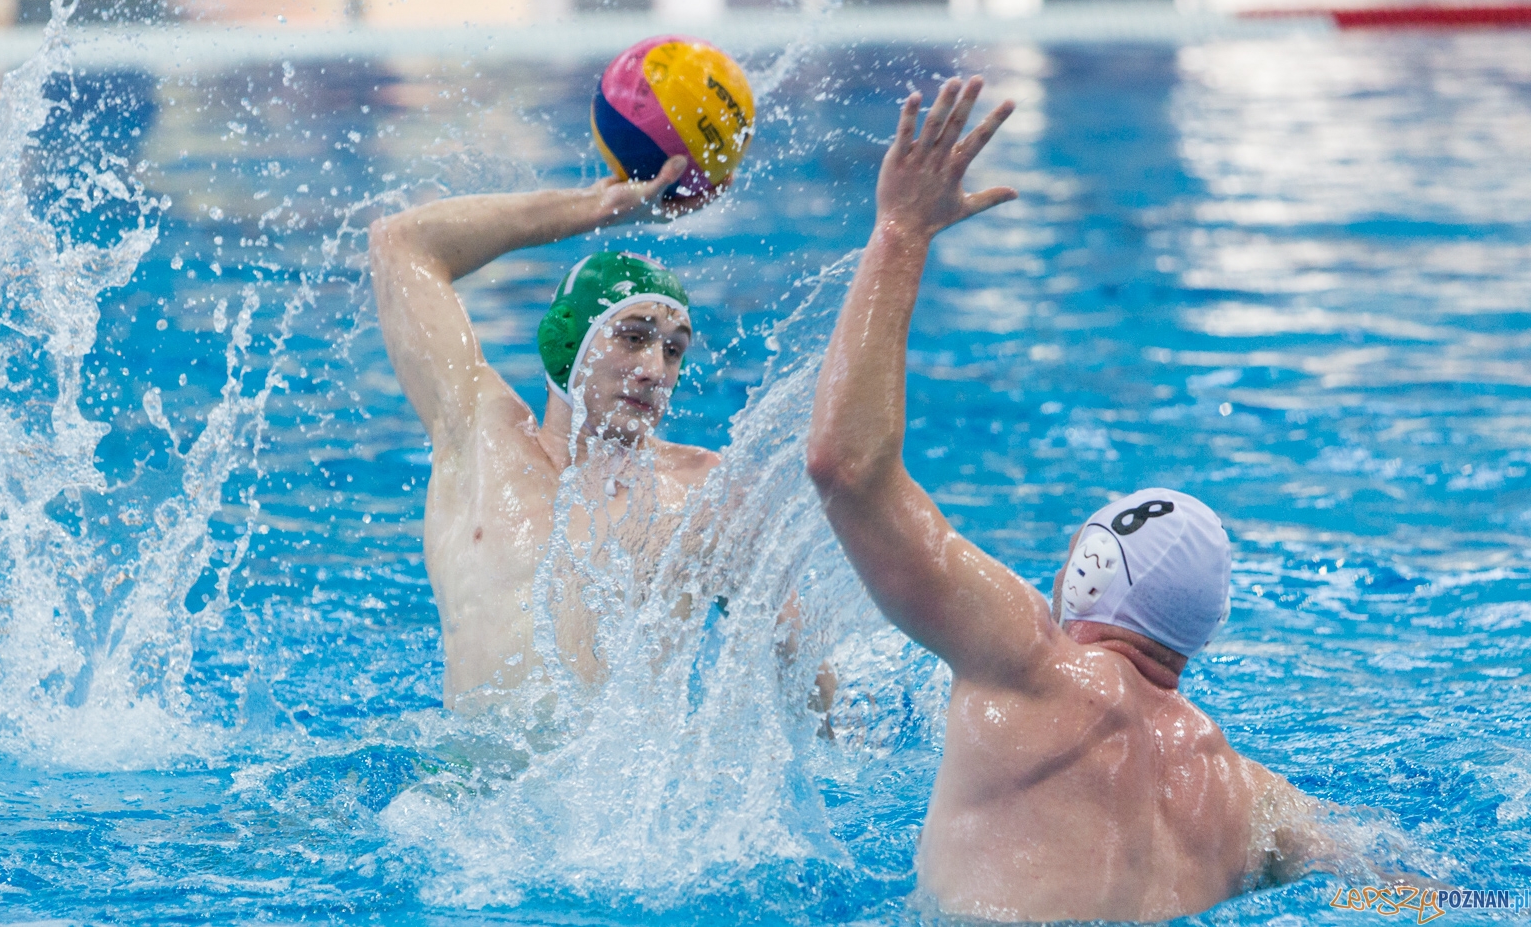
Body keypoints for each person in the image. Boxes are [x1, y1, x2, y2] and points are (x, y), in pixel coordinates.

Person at [805, 77, 1329, 921]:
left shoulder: (1026, 661)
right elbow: (1423, 890)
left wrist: (900, 232)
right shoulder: (1252, 800)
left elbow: (847, 469)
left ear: (1090, 571)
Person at [368, 156, 721, 708]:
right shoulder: (479, 437)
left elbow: (803, 668)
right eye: (632, 337)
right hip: (468, 787)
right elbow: (403, 243)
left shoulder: (701, 489)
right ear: (565, 343)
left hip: (618, 794)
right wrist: (602, 208)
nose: (656, 370)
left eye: (673, 350)